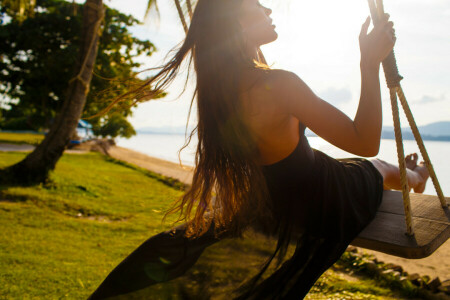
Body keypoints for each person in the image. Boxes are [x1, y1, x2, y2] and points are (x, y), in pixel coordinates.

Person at [88, 0, 430, 299]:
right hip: (324, 199)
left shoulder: (218, 93)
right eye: (257, 4)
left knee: (361, 164)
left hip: (280, 200)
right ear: (237, 22)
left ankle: (413, 176)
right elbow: (365, 141)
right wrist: (368, 63)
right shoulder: (279, 85)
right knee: (378, 165)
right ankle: (415, 177)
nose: (268, 9)